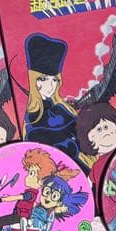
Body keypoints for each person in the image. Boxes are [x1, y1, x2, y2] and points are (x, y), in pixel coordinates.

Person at [22, 34, 80, 162]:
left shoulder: (62, 108)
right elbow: (34, 138)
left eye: (54, 80)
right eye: (43, 79)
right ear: (34, 80)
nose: (50, 86)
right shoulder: (32, 114)